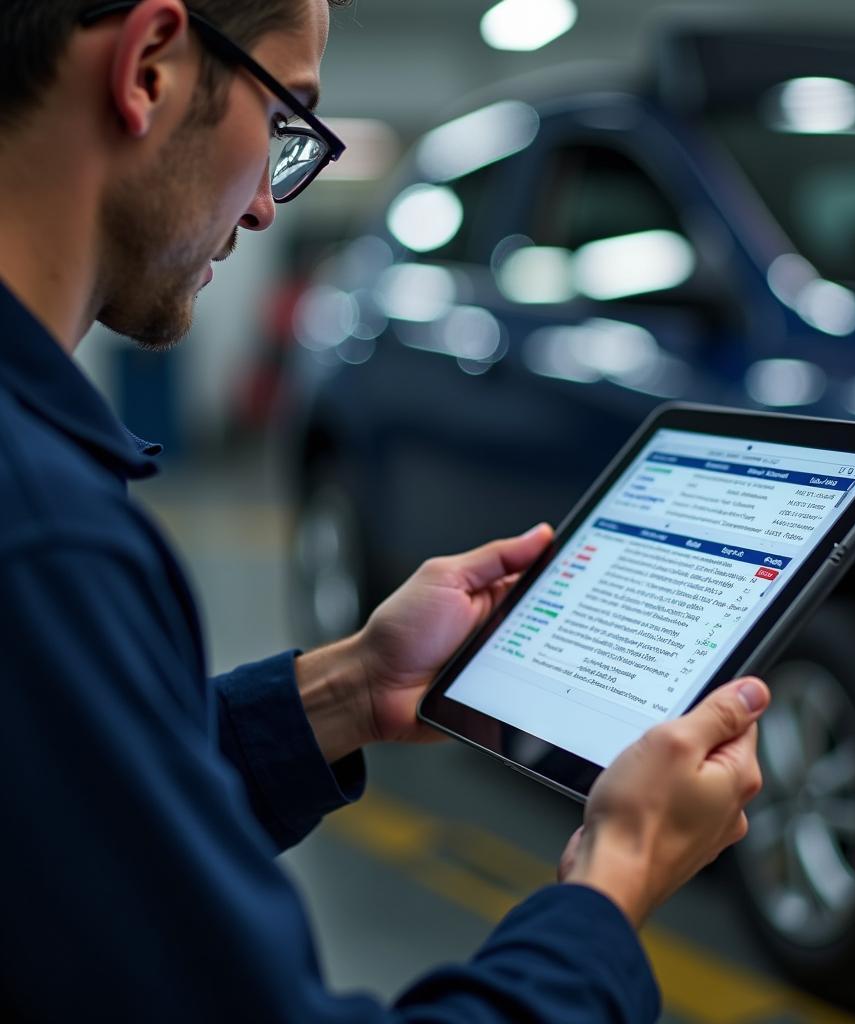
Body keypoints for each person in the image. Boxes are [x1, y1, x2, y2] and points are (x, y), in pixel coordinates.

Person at [0, 1, 769, 1020]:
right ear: (147, 68)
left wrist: (346, 690)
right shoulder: (43, 538)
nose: (272, 207)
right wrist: (614, 877)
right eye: (286, 121)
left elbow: (71, 820)